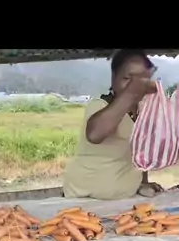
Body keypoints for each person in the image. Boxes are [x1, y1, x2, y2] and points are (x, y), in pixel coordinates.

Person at [63, 49, 165, 200]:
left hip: (125, 199)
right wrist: (131, 92)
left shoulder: (143, 109)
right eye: (127, 78)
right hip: (85, 199)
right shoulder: (100, 106)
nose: (135, 86)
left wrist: (143, 182)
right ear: (113, 78)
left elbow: (141, 152)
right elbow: (95, 134)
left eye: (142, 80)